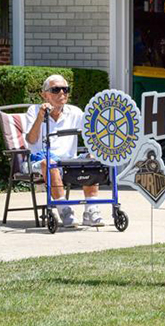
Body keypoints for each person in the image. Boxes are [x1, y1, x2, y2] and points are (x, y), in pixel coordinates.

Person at [25, 75, 104, 227]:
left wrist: (93, 152)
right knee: (50, 163)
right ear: (44, 94)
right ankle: (65, 210)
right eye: (55, 90)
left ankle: (91, 210)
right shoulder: (34, 111)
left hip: (69, 161)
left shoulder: (75, 112)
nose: (62, 93)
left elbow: (91, 135)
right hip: (39, 160)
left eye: (65, 89)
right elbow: (31, 140)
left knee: (92, 158)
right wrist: (41, 117)